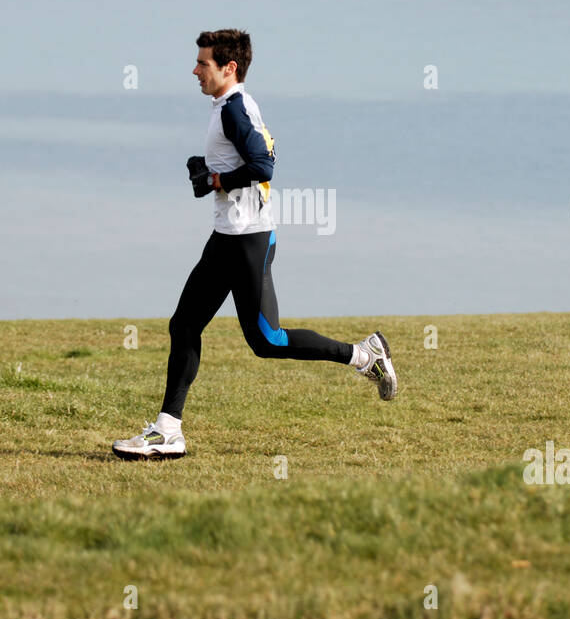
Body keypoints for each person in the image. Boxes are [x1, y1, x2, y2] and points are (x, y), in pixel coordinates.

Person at [112, 29, 396, 460]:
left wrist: (216, 180)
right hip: (227, 238)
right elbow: (261, 154)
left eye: (202, 63)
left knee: (268, 341)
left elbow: (264, 164)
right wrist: (210, 170)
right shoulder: (231, 106)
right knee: (185, 324)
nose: (194, 70)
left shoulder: (235, 109)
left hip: (247, 241)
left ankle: (363, 355)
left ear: (229, 68)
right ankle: (168, 431)